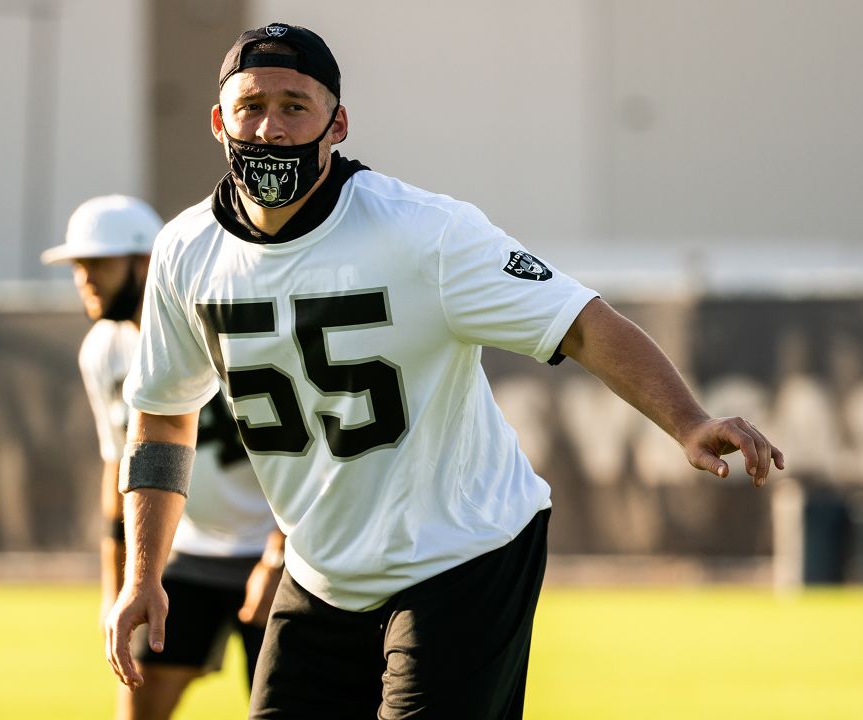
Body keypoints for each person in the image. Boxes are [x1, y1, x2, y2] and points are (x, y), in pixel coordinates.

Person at [105, 23, 785, 720]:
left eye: (294, 106)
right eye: (251, 106)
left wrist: (689, 421)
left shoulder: (423, 232)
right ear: (219, 121)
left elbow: (579, 322)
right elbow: (162, 417)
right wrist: (142, 573)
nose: (271, 128)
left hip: (461, 553)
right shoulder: (185, 249)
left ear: (337, 124)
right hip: (323, 568)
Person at [42, 195, 284, 719]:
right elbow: (119, 467)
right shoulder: (102, 349)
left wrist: (281, 552)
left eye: (99, 263)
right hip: (188, 554)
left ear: (147, 261)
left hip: (276, 553)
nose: (85, 278)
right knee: (135, 709)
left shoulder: (222, 325)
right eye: (78, 266)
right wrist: (120, 584)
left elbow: (301, 449)